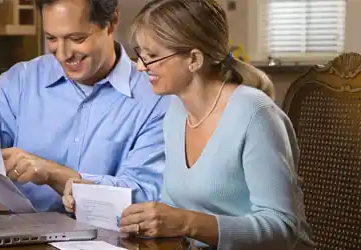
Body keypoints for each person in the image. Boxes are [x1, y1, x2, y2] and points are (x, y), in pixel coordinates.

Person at [63, 0, 315, 249]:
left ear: (193, 59)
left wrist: (187, 223)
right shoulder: (176, 112)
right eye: (140, 54)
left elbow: (282, 229)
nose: (140, 66)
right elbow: (169, 207)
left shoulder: (256, 115)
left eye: (152, 56)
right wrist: (94, 194)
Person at [0, 0, 170, 213]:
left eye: (77, 38)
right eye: (52, 39)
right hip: (24, 238)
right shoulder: (20, 81)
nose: (64, 54)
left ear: (112, 22)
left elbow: (143, 196)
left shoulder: (155, 96)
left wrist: (53, 174)